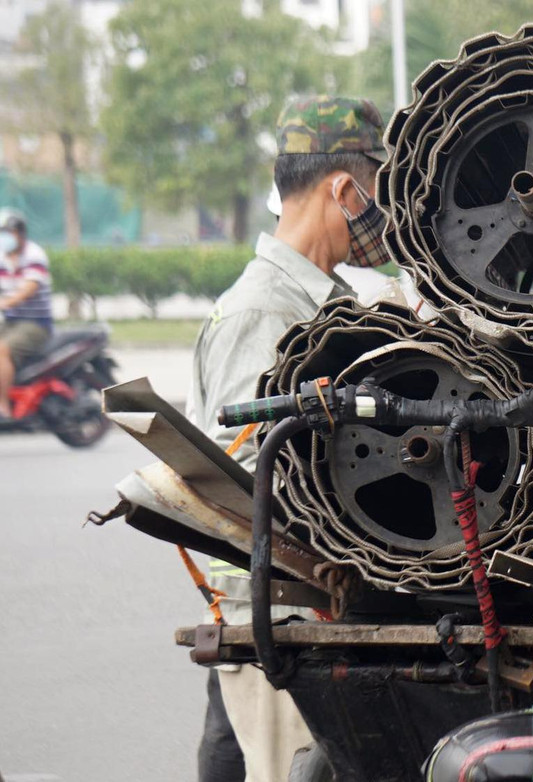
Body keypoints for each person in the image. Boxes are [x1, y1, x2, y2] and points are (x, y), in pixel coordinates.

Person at [183, 94, 392, 782]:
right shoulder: (261, 314)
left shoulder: (321, 305)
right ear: (343, 188)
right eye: (380, 189)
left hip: (297, 608)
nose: (385, 215)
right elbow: (249, 479)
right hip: (275, 608)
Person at [0, 210, 53, 419]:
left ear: (20, 233)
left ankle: (2, 405)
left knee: (2, 350)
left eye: (7, 232)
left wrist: (6, 302)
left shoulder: (34, 255)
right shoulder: (2, 257)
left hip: (35, 324)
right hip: (11, 321)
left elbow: (28, 288)